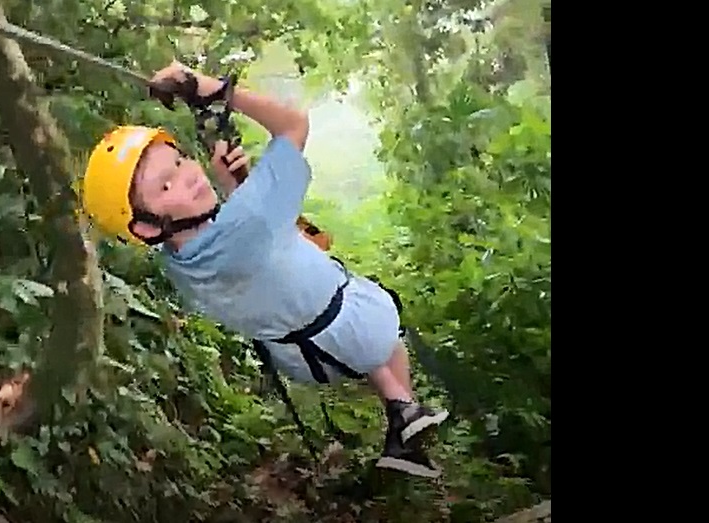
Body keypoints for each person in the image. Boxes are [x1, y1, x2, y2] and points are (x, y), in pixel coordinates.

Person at [80, 61, 448, 478]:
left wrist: (234, 188)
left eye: (181, 161)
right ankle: (403, 409)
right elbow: (294, 125)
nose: (188, 176)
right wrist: (213, 89)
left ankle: (400, 416)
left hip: (298, 355)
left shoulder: (179, 263)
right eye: (166, 185)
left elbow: (245, 245)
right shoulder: (253, 218)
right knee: (382, 316)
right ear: (146, 226)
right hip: (351, 322)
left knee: (353, 327)